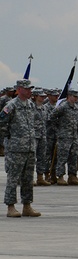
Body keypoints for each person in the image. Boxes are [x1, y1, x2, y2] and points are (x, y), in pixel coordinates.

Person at [1, 80, 42, 217]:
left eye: (30, 88)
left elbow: (34, 123)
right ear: (19, 89)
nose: (30, 91)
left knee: (28, 178)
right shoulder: (11, 106)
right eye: (27, 88)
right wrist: (9, 140)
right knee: (13, 178)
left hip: (30, 147)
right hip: (16, 148)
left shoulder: (31, 105)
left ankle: (27, 205)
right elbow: (2, 124)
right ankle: (10, 206)